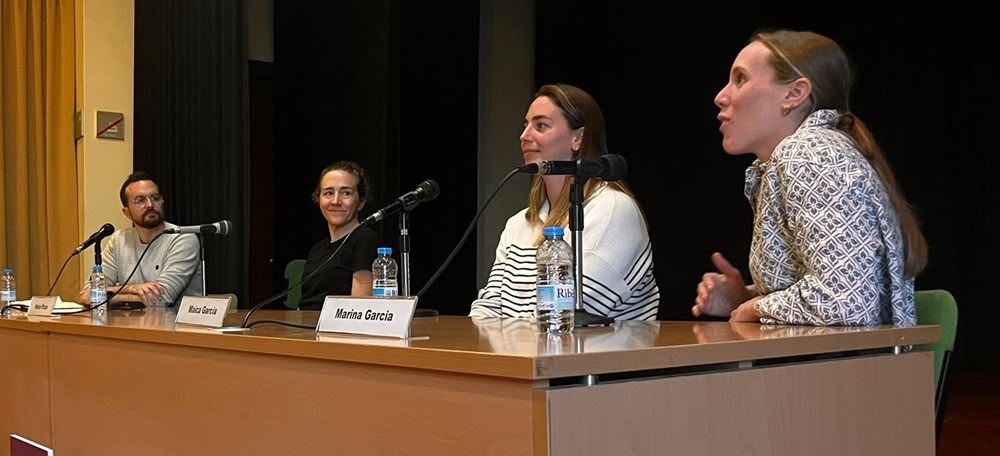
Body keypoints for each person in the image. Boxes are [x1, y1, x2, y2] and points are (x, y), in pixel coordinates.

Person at [693, 30, 927, 326]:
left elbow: (846, 303)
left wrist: (753, 309)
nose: (721, 97)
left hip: (854, 371)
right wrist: (744, 297)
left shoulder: (810, 154)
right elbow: (838, 285)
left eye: (740, 79)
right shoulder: (808, 153)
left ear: (794, 94)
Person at [470, 83, 660, 321]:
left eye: (540, 125)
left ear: (577, 138)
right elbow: (486, 310)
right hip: (525, 356)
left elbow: (563, 315)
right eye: (525, 125)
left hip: (600, 357)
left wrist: (506, 340)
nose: (524, 136)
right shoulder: (518, 224)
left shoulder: (612, 209)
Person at [78, 171, 203, 307]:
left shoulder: (183, 239)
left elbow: (161, 299)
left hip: (176, 325)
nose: (150, 205)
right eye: (140, 200)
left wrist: (111, 293)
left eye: (155, 198)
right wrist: (133, 289)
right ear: (127, 212)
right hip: (132, 324)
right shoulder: (118, 241)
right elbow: (87, 294)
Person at [297, 161, 380, 310]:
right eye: (328, 193)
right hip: (305, 329)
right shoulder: (317, 249)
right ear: (319, 199)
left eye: (346, 193)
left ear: (361, 202)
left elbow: (360, 309)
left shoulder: (365, 239)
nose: (335, 201)